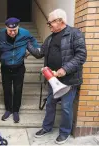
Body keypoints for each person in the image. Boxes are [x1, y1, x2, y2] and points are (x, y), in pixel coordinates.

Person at [27, 9, 87, 144]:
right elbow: (39, 53)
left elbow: (81, 56)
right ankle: (46, 128)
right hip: (52, 80)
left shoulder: (75, 34)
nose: (49, 25)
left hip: (69, 80)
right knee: (50, 105)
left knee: (66, 107)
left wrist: (65, 69)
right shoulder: (49, 38)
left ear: (60, 21)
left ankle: (65, 132)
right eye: (48, 23)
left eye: (50, 23)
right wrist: (27, 45)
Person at [0, 17, 39, 123]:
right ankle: (8, 110)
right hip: (5, 68)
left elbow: (33, 42)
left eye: (15, 30)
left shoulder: (25, 33)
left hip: (19, 67)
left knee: (18, 90)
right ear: (6, 28)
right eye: (10, 30)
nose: (12, 32)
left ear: (18, 27)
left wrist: (31, 51)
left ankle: (16, 111)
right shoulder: (0, 35)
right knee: (7, 90)